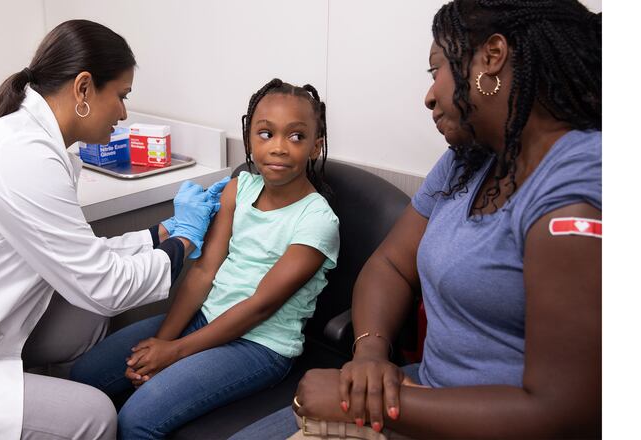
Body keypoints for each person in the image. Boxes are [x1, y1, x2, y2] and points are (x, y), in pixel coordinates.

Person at [232, 0, 601, 438]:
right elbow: (389, 264)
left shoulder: (577, 189)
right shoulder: (467, 161)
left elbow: (565, 413)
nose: (429, 95)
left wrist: (383, 405)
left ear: (493, 56)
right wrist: (369, 356)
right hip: (423, 388)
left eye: (436, 70)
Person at [0, 19, 229, 440]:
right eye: (121, 96)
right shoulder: (22, 158)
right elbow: (105, 285)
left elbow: (80, 254)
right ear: (83, 89)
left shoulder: (32, 140)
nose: (124, 112)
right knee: (94, 415)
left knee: (86, 319)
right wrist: (185, 240)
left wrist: (161, 233)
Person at [69, 78, 341, 439]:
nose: (278, 148)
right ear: (249, 140)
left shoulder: (317, 222)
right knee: (84, 378)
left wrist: (174, 352)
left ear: (314, 146)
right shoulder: (238, 188)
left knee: (136, 421)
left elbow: (260, 306)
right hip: (204, 319)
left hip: (260, 345)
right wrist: (161, 344)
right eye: (265, 133)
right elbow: (203, 270)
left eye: (295, 136)